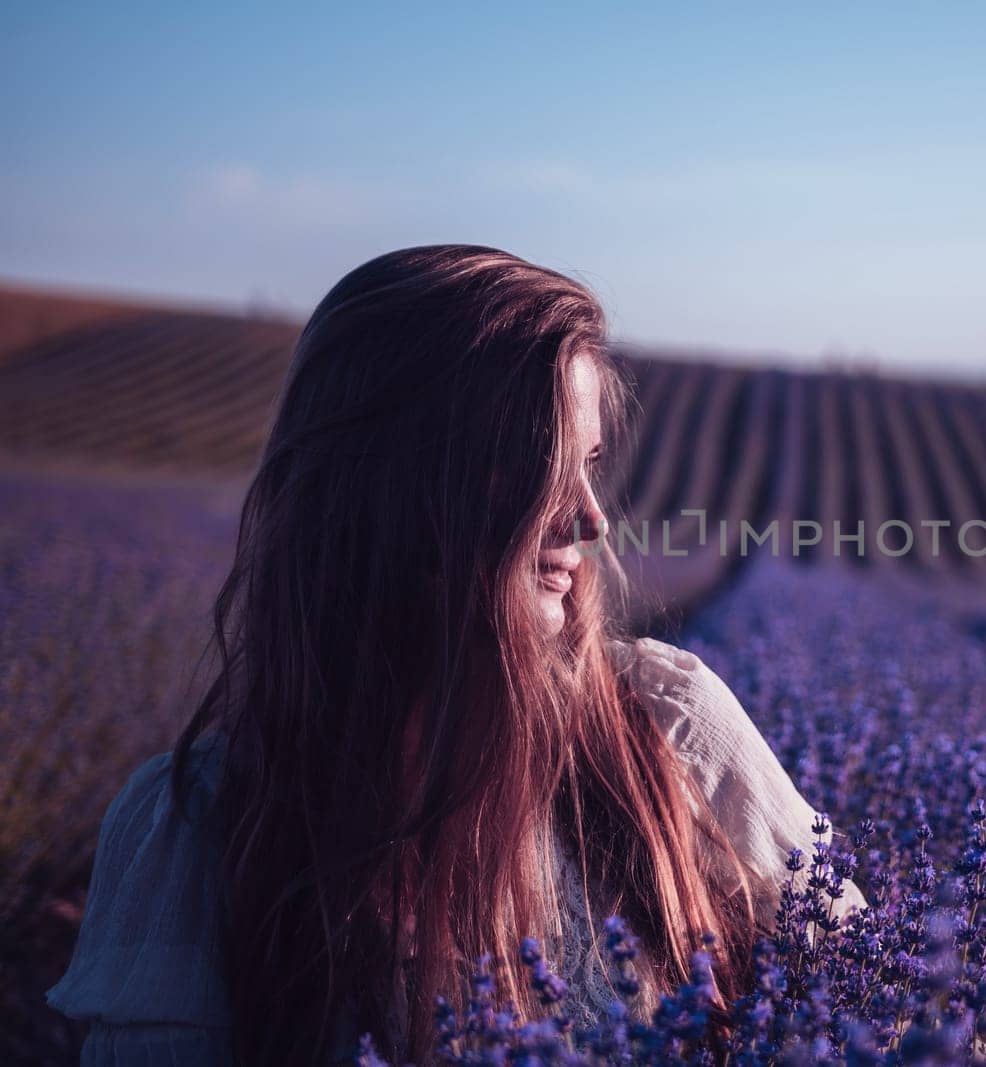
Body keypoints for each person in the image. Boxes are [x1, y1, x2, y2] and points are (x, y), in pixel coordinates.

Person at [44, 245, 868, 1066]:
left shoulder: (666, 724)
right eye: (541, 463)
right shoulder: (199, 828)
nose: (590, 518)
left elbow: (879, 1016)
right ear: (397, 487)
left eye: (587, 464)